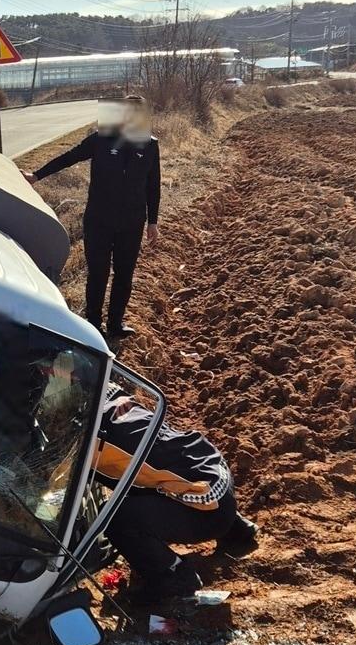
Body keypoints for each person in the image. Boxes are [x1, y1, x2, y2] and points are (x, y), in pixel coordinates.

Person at [94, 387, 258, 601]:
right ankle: (235, 531)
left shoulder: (91, 437)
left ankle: (173, 578)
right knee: (154, 468)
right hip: (217, 476)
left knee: (114, 518)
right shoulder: (113, 395)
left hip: (210, 509)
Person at [24, 95, 160, 342]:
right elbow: (70, 157)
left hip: (132, 222)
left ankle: (115, 324)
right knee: (98, 272)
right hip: (99, 219)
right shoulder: (101, 139)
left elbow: (153, 185)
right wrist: (37, 175)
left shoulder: (150, 145)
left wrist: (153, 221)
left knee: (124, 274)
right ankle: (93, 325)